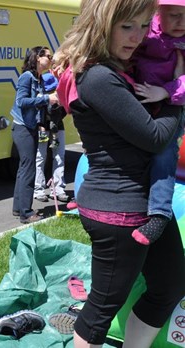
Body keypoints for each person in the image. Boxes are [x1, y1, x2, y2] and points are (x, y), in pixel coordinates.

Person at [53, 0, 185, 347]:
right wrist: (176, 94)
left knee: (170, 284)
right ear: (102, 22)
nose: (137, 37)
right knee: (101, 309)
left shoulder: (120, 69)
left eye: (144, 26)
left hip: (146, 204)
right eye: (127, 26)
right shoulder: (98, 77)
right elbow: (155, 137)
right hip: (118, 209)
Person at [130, 0, 185, 245]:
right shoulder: (145, 32)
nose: (181, 23)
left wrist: (166, 91)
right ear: (157, 12)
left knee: (165, 154)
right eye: (174, 15)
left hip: (167, 103)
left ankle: (159, 213)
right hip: (139, 100)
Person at [11, 46, 58, 224]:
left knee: (24, 169)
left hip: (30, 127)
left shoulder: (39, 79)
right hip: (22, 128)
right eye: (48, 56)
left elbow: (36, 106)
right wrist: (47, 99)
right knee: (29, 169)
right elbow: (21, 101)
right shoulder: (27, 77)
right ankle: (27, 213)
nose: (51, 59)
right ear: (38, 58)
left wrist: (41, 124)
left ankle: (18, 208)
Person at [33, 71, 69, 203]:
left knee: (59, 156)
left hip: (57, 127)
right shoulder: (41, 98)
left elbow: (66, 110)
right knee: (40, 157)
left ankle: (58, 188)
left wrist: (56, 119)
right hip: (42, 126)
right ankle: (38, 189)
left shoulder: (61, 96)